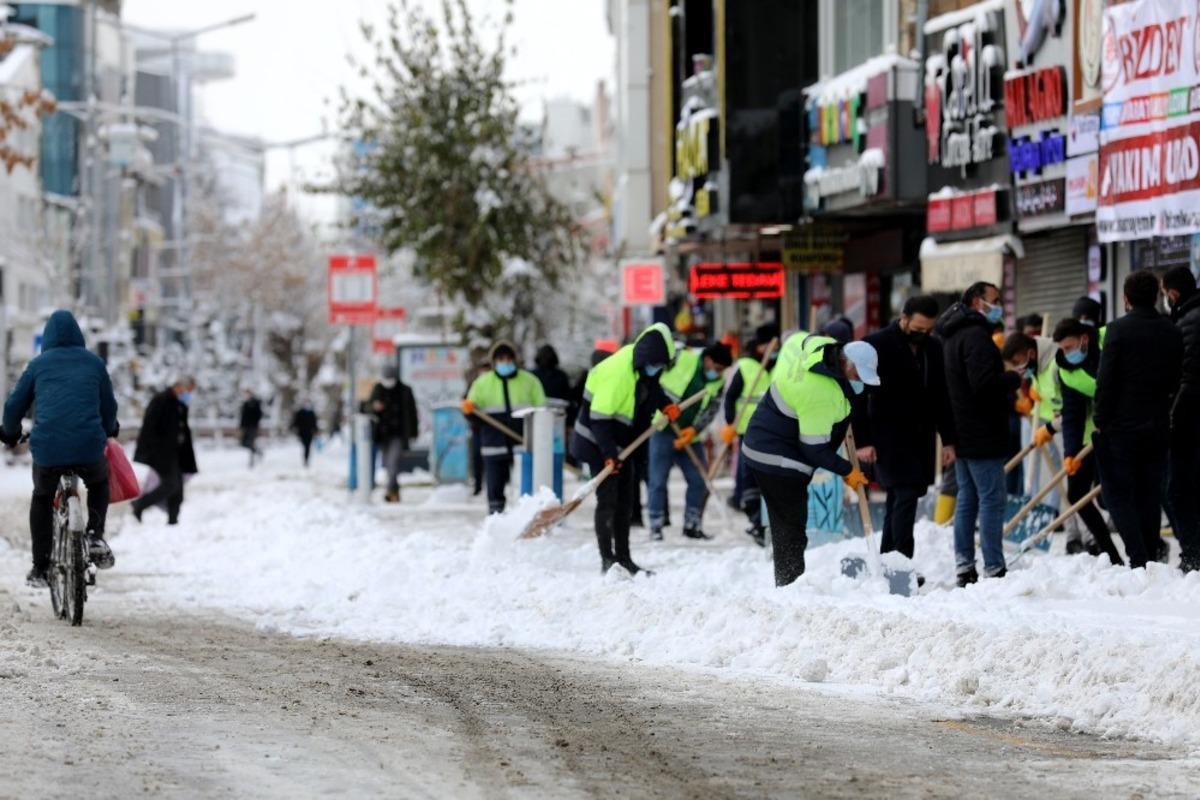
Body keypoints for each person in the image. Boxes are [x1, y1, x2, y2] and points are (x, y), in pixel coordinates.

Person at [743, 332, 877, 586]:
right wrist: (847, 469)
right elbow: (813, 449)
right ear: (846, 364)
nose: (861, 382)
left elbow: (804, 339)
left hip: (767, 439)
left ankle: (788, 583)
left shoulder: (823, 347)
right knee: (791, 529)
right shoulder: (820, 393)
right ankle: (790, 587)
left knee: (787, 525)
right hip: (776, 457)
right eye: (858, 376)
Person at [0, 310, 119, 587]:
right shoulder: (94, 363)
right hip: (89, 446)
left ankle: (40, 568)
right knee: (99, 482)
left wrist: (9, 433)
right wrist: (109, 427)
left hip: (49, 449)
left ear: (48, 339)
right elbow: (109, 407)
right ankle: (94, 535)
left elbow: (13, 405)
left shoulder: (38, 365)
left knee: (42, 496)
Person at [570, 323, 682, 576]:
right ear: (647, 358)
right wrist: (609, 453)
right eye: (657, 365)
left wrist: (666, 405)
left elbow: (651, 389)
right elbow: (599, 419)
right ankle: (607, 560)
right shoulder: (618, 373)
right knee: (608, 500)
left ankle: (624, 558)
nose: (658, 370)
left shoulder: (643, 366)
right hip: (597, 442)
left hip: (623, 444)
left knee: (626, 502)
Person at [853, 296, 956, 561]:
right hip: (887, 437)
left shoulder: (933, 348)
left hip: (921, 438)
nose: (922, 334)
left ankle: (889, 559)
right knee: (905, 494)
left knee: (899, 498)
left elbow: (941, 396)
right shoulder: (875, 345)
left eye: (928, 329)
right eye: (918, 328)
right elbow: (859, 396)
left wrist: (948, 440)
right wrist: (862, 440)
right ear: (904, 317)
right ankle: (901, 561)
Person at [936, 282, 1024, 586]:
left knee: (968, 499)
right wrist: (1013, 377)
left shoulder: (951, 336)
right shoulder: (977, 338)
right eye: (994, 300)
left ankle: (964, 565)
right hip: (982, 433)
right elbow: (984, 385)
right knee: (991, 499)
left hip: (963, 432)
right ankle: (994, 567)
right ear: (977, 302)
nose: (999, 305)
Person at [1094, 270, 1183, 569]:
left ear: (1126, 298)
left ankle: (1138, 555)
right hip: (1157, 424)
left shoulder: (1117, 330)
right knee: (1149, 492)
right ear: (1157, 296)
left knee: (1117, 492)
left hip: (1121, 426)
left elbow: (1105, 381)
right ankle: (1150, 553)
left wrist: (1100, 419)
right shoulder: (1171, 330)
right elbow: (1175, 378)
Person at [1052, 318, 1123, 564]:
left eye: (1069, 347)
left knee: (1111, 496)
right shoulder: (1067, 370)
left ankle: (1147, 549)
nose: (1066, 353)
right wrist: (1070, 453)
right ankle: (1112, 556)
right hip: (1091, 435)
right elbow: (1072, 413)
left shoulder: (1109, 340)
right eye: (1062, 349)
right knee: (1076, 494)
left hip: (1124, 428)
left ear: (1084, 338)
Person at [646, 342, 733, 541]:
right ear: (709, 360)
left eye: (722, 371)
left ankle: (692, 524)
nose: (719, 374)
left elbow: (711, 409)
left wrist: (694, 430)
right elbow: (653, 379)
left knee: (697, 480)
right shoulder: (682, 358)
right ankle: (656, 526)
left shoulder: (717, 383)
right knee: (657, 480)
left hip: (688, 435)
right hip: (662, 429)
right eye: (718, 368)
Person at [461, 341, 546, 514]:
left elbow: (541, 410)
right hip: (493, 443)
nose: (505, 362)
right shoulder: (482, 383)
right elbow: (472, 411)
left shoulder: (529, 381)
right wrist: (469, 410)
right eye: (501, 359)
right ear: (494, 362)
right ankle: (496, 519)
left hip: (522, 443)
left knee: (524, 485)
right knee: (495, 486)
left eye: (508, 359)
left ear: (515, 360)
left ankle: (525, 516)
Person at [723, 323, 780, 546]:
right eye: (770, 346)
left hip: (771, 429)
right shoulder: (745, 366)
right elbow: (730, 396)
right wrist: (729, 422)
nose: (773, 351)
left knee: (762, 475)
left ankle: (760, 516)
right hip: (747, 429)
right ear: (760, 345)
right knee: (748, 474)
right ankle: (753, 514)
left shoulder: (776, 365)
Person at [1163, 266, 1200, 573]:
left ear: (1172, 294)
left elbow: (1188, 379)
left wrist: (1173, 419)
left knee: (1179, 491)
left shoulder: (1188, 322)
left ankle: (1193, 556)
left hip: (1190, 420)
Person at [131, 377, 198, 525]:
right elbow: (149, 427)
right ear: (180, 386)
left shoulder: (180, 404)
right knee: (170, 484)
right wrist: (152, 451)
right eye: (189, 390)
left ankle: (173, 520)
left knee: (178, 488)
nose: (189, 394)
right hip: (161, 453)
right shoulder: (161, 400)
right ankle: (140, 504)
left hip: (177, 453)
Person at [369, 365, 419, 502]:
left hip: (399, 433)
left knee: (393, 462)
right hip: (383, 434)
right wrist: (374, 407)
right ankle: (395, 493)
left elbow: (412, 413)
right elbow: (368, 407)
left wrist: (414, 432)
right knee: (387, 464)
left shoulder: (405, 391)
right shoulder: (378, 389)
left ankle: (390, 490)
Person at [238, 390, 264, 468]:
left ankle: (251, 462)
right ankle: (258, 452)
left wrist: (255, 423)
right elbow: (243, 416)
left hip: (253, 427)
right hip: (246, 427)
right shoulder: (245, 403)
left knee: (251, 442)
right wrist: (241, 427)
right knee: (243, 443)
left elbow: (259, 414)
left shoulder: (256, 403)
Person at [290, 401, 319, 467]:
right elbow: (296, 421)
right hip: (302, 433)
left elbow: (314, 423)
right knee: (304, 445)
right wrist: (292, 427)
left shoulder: (312, 413)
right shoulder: (300, 412)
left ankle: (306, 459)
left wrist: (316, 430)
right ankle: (305, 457)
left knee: (307, 446)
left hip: (309, 433)